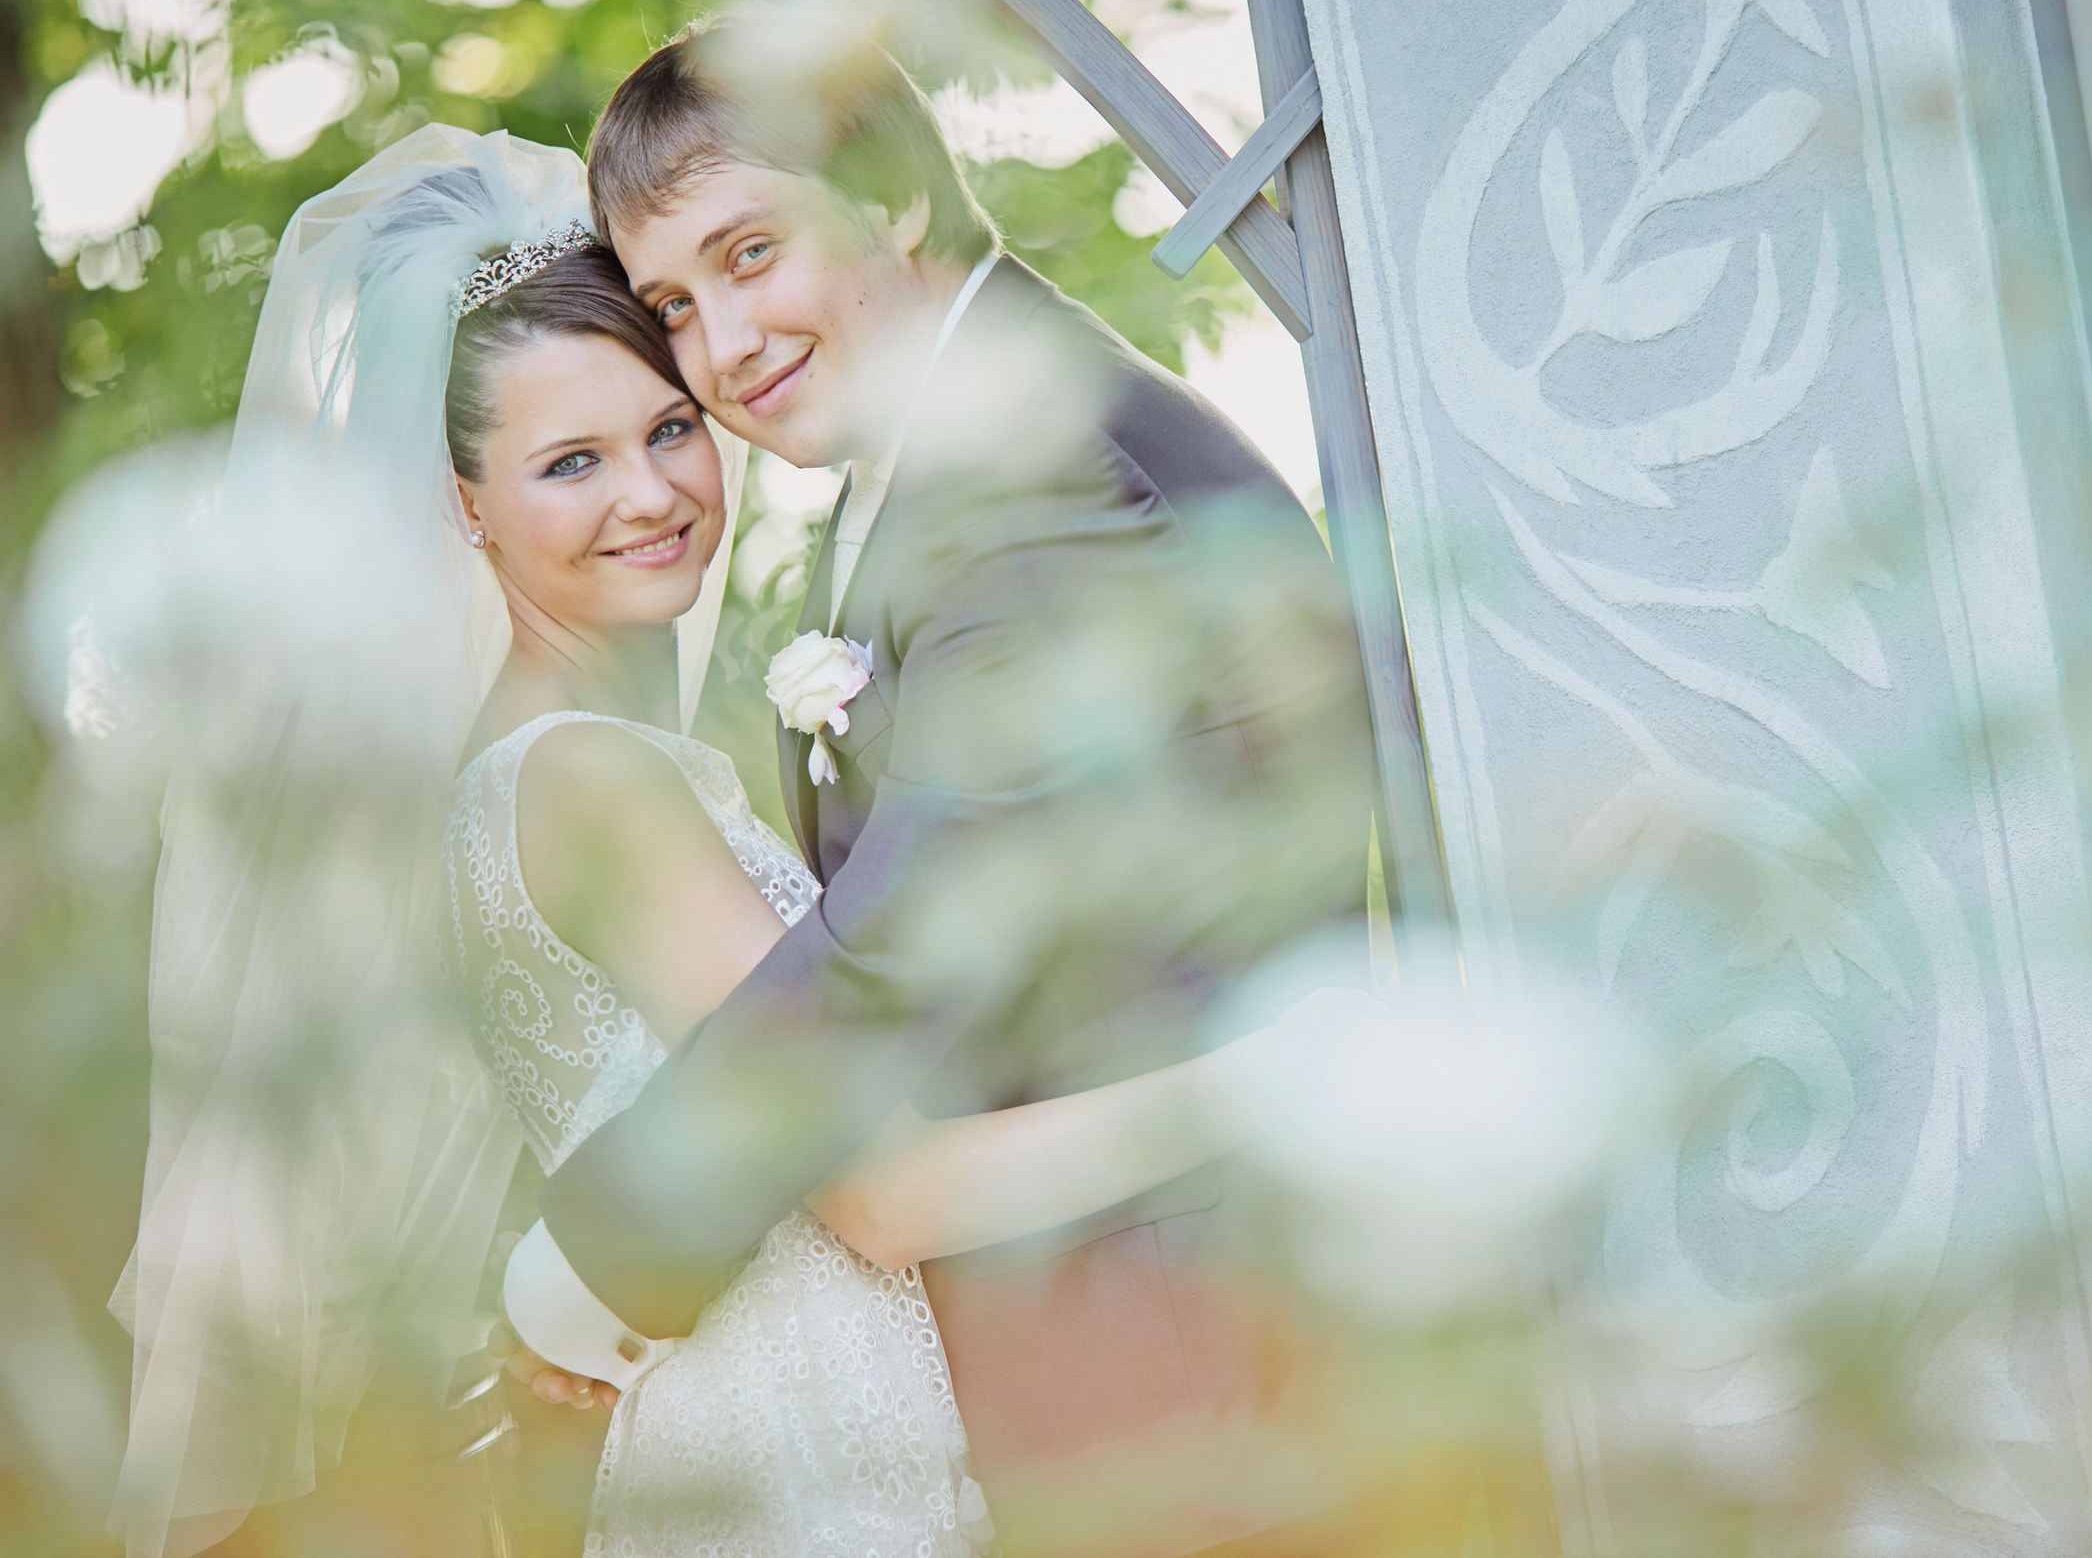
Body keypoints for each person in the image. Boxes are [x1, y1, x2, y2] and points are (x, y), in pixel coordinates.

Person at [106, 125, 1363, 1558]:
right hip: (808, 1456)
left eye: (667, 429)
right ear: (464, 506)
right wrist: (1272, 1077)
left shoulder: (526, 769)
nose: (649, 496)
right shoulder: (590, 783)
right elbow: (888, 1192)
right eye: (569, 463)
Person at [502, 27, 1380, 1554]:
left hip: (1210, 1366)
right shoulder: (940, 467)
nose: (723, 345)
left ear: (894, 192)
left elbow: (902, 943)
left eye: (751, 252)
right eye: (676, 307)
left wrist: (596, 1260)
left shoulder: (1031, 476)